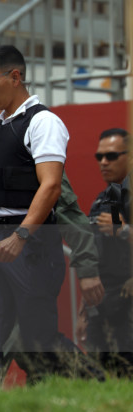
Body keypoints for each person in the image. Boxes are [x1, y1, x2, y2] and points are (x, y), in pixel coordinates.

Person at [0, 85, 105, 381]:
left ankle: (94, 381)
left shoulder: (26, 156)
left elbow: (67, 210)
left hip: (32, 256)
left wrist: (88, 267)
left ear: (1, 109)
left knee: (33, 344)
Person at [86, 128, 133, 376]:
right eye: (100, 157)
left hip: (128, 302)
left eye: (112, 156)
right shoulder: (103, 199)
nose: (104, 162)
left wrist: (124, 231)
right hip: (103, 302)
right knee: (98, 377)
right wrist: (85, 309)